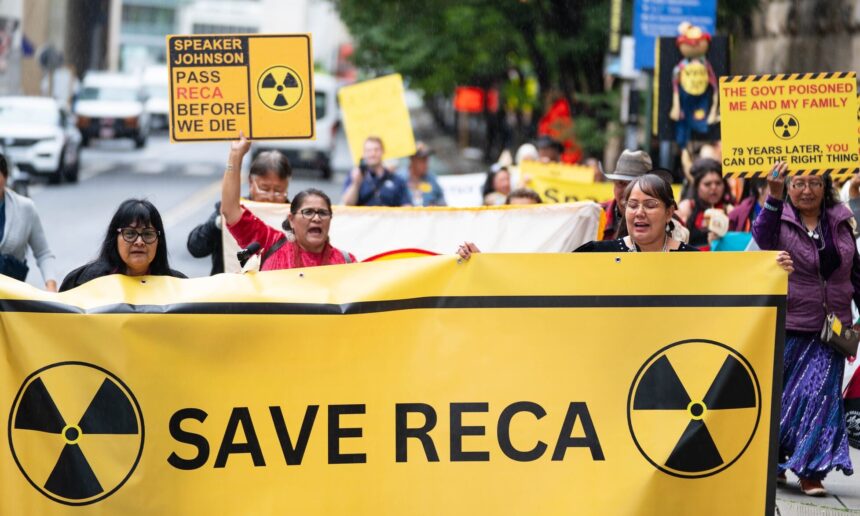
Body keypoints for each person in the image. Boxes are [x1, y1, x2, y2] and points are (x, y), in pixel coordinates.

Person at [753, 162, 855, 496]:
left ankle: (811, 471)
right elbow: (761, 240)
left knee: (820, 397)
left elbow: (854, 269)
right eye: (799, 183)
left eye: (814, 182)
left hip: (831, 328)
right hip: (791, 321)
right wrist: (774, 196)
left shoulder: (840, 220)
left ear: (826, 187)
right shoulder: (778, 218)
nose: (807, 190)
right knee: (787, 398)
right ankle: (780, 458)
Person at [223, 134, 355, 270]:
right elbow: (230, 211)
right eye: (308, 212)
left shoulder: (346, 262)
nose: (316, 218)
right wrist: (235, 155)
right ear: (291, 219)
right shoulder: (269, 242)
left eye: (322, 213)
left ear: (330, 219)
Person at [187, 149, 291, 275]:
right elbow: (196, 248)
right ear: (251, 183)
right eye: (264, 188)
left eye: (278, 190)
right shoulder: (232, 210)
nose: (271, 196)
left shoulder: (296, 218)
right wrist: (219, 223)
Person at [60, 199, 185, 291]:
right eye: (130, 233)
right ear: (115, 238)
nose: (139, 242)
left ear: (159, 240)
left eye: (148, 234)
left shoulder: (179, 288)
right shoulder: (81, 284)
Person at [575, 173, 698, 252]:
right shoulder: (597, 254)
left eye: (650, 205)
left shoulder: (693, 260)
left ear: (669, 213)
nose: (639, 213)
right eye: (632, 205)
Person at [0, 153, 58, 290]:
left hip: (10, 297)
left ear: (6, 176)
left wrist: (51, 286)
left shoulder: (25, 208)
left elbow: (43, 253)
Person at [676, 158, 734, 249]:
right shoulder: (686, 208)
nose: (714, 188)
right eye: (707, 184)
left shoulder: (730, 210)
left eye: (718, 183)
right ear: (697, 186)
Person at [342, 136, 411, 207]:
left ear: (383, 151)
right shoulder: (355, 175)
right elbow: (348, 203)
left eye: (376, 150)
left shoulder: (396, 180)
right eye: (369, 151)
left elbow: (407, 206)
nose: (373, 154)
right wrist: (356, 183)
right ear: (363, 153)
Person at [601, 150, 653, 240]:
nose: (627, 191)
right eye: (621, 183)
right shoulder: (595, 216)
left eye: (634, 184)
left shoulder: (666, 222)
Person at [401, 141, 446, 207]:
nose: (426, 164)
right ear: (413, 159)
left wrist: (435, 207)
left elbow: (443, 203)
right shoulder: (400, 179)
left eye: (427, 159)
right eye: (422, 160)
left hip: (429, 216)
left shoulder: (431, 179)